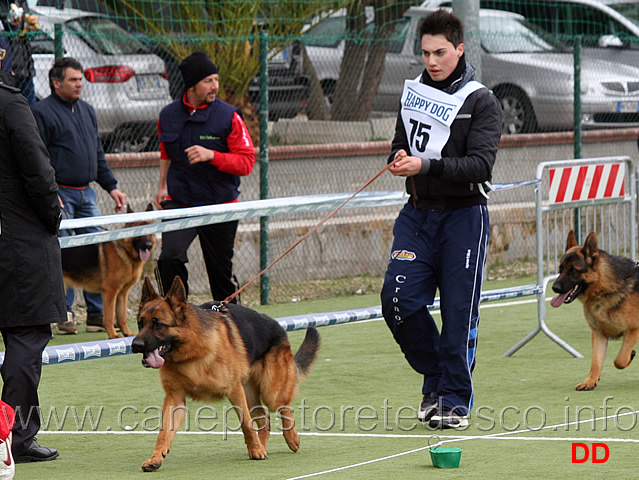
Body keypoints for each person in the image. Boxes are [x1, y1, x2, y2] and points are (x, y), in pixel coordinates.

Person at [380, 10, 502, 430]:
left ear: (460, 49)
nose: (432, 61)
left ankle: (454, 399)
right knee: (397, 303)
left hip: (464, 218)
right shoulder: (411, 91)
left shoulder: (481, 99)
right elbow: (401, 143)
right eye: (426, 53)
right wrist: (398, 158)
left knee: (457, 312)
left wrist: (426, 166)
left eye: (441, 53)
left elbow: (481, 166)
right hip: (416, 217)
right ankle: (435, 377)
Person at [0, 50, 65, 462]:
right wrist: (51, 215)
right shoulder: (9, 102)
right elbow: (38, 170)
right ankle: (17, 439)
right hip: (16, 239)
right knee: (25, 337)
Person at [31, 57, 126, 335]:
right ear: (56, 82)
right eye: (73, 80)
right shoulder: (42, 112)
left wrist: (112, 186)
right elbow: (38, 157)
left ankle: (97, 315)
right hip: (60, 194)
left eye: (80, 79)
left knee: (99, 252)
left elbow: (97, 154)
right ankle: (65, 313)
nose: (79, 84)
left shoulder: (87, 110)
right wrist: (50, 192)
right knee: (63, 253)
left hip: (87, 194)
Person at [154, 51, 255, 301]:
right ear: (192, 85)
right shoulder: (168, 115)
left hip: (219, 204)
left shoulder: (229, 116)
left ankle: (233, 325)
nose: (215, 87)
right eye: (208, 81)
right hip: (181, 202)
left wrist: (213, 155)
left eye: (216, 79)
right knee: (169, 258)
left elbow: (246, 162)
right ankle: (178, 317)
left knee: (220, 276)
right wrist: (162, 185)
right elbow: (166, 151)